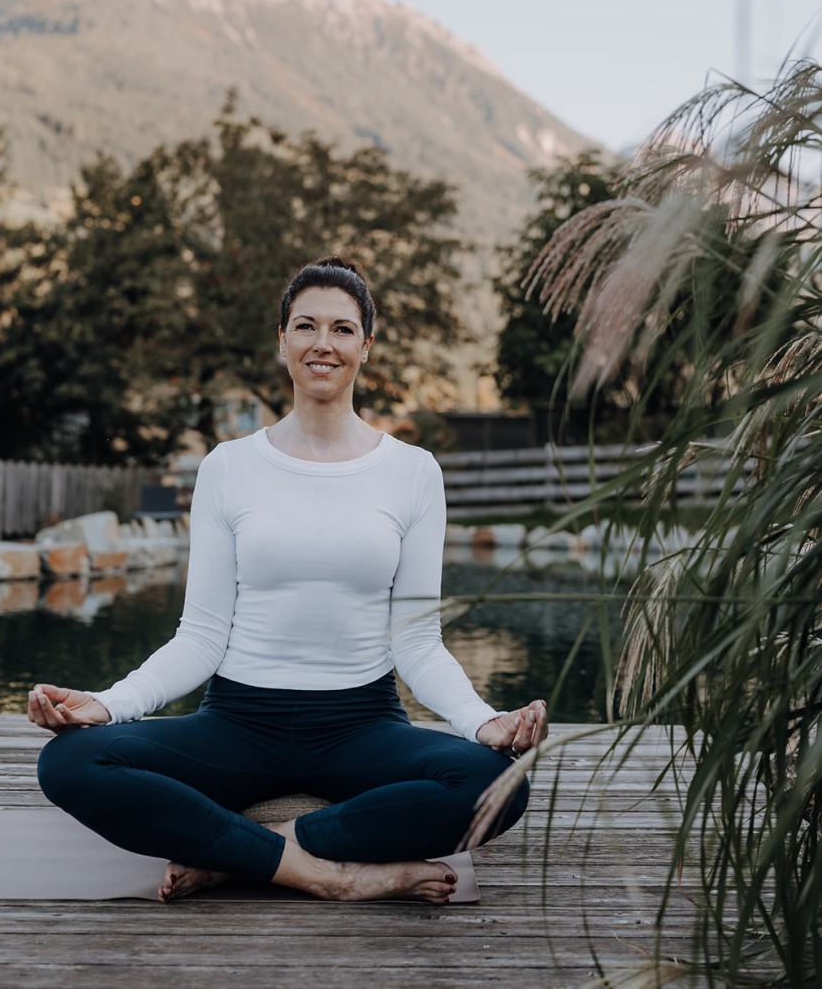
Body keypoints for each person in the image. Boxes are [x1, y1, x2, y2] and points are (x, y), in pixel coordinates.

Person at [28, 257, 548, 905]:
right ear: (282, 341)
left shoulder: (412, 472)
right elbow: (200, 635)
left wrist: (481, 722)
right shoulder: (229, 467)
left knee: (500, 784)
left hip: (360, 724)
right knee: (70, 762)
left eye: (340, 328)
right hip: (236, 723)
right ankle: (323, 872)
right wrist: (108, 704)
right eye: (305, 325)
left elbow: (416, 640)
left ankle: (237, 857)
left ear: (365, 345)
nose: (321, 342)